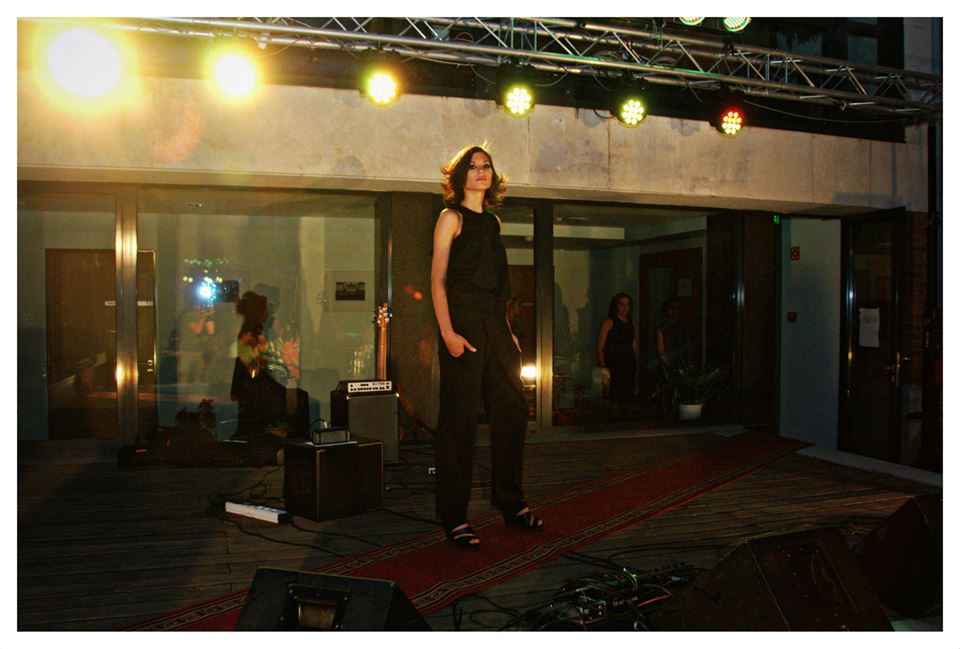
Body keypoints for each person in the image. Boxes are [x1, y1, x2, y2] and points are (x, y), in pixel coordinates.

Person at [431, 144, 543, 548]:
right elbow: (438, 280)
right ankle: (454, 517)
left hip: (495, 323)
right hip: (462, 321)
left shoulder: (492, 222)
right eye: (473, 166)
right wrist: (447, 332)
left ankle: (512, 503)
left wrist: (507, 330)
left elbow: (497, 287)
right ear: (461, 175)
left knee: (513, 411)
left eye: (487, 166)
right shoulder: (451, 217)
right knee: (459, 422)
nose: (481, 171)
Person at [597, 293, 638, 403]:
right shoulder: (609, 323)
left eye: (627, 305)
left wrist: (637, 363)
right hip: (613, 363)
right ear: (616, 305)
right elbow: (601, 347)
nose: (625, 308)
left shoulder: (632, 324)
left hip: (628, 363)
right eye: (621, 304)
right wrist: (603, 366)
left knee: (627, 394)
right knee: (614, 394)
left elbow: (634, 345)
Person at [656, 297, 690, 367]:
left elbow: (687, 344)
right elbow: (660, 349)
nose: (674, 311)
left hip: (682, 361)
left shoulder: (684, 326)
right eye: (672, 308)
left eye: (677, 308)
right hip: (668, 362)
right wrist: (666, 363)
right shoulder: (662, 327)